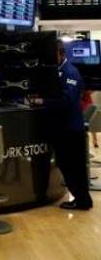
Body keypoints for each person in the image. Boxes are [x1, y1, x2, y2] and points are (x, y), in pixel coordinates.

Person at [36, 42, 93, 210]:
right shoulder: (60, 71)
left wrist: (43, 101)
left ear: (60, 54)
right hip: (63, 128)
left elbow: (67, 100)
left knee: (73, 167)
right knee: (68, 165)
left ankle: (82, 201)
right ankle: (82, 200)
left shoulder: (70, 72)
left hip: (70, 129)